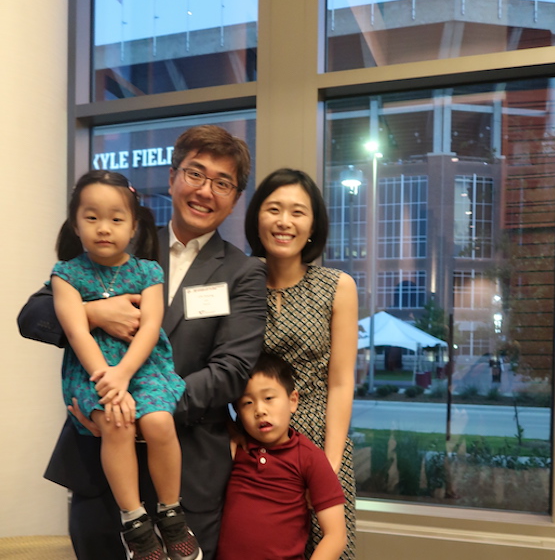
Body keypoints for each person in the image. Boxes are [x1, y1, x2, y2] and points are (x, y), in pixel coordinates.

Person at [17, 125, 267, 560]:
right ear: (172, 177)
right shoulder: (121, 235)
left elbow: (230, 372)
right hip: (98, 460)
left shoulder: (243, 274)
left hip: (186, 468)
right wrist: (94, 313)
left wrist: (143, 409)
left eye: (222, 182)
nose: (205, 190)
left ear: (235, 196)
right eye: (195, 173)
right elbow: (34, 315)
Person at [50, 170, 200, 560]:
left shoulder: (149, 271)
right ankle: (135, 522)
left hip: (142, 366)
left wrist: (124, 373)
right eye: (92, 217)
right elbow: (77, 331)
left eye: (116, 218)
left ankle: (170, 513)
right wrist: (107, 378)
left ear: (133, 225)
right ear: (75, 222)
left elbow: (151, 328)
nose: (104, 228)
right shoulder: (65, 274)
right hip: (92, 369)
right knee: (116, 419)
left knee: (158, 421)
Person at [244, 169, 358, 559]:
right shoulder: (239, 285)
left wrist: (326, 467)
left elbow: (341, 383)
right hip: (256, 448)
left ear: (313, 225)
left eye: (298, 212)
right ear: (257, 217)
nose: (284, 221)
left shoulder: (337, 286)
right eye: (273, 209)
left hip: (321, 444)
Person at [216, 353, 347, 560]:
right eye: (247, 403)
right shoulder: (236, 448)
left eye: (268, 398)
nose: (260, 410)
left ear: (292, 400)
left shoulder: (310, 458)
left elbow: (336, 536)